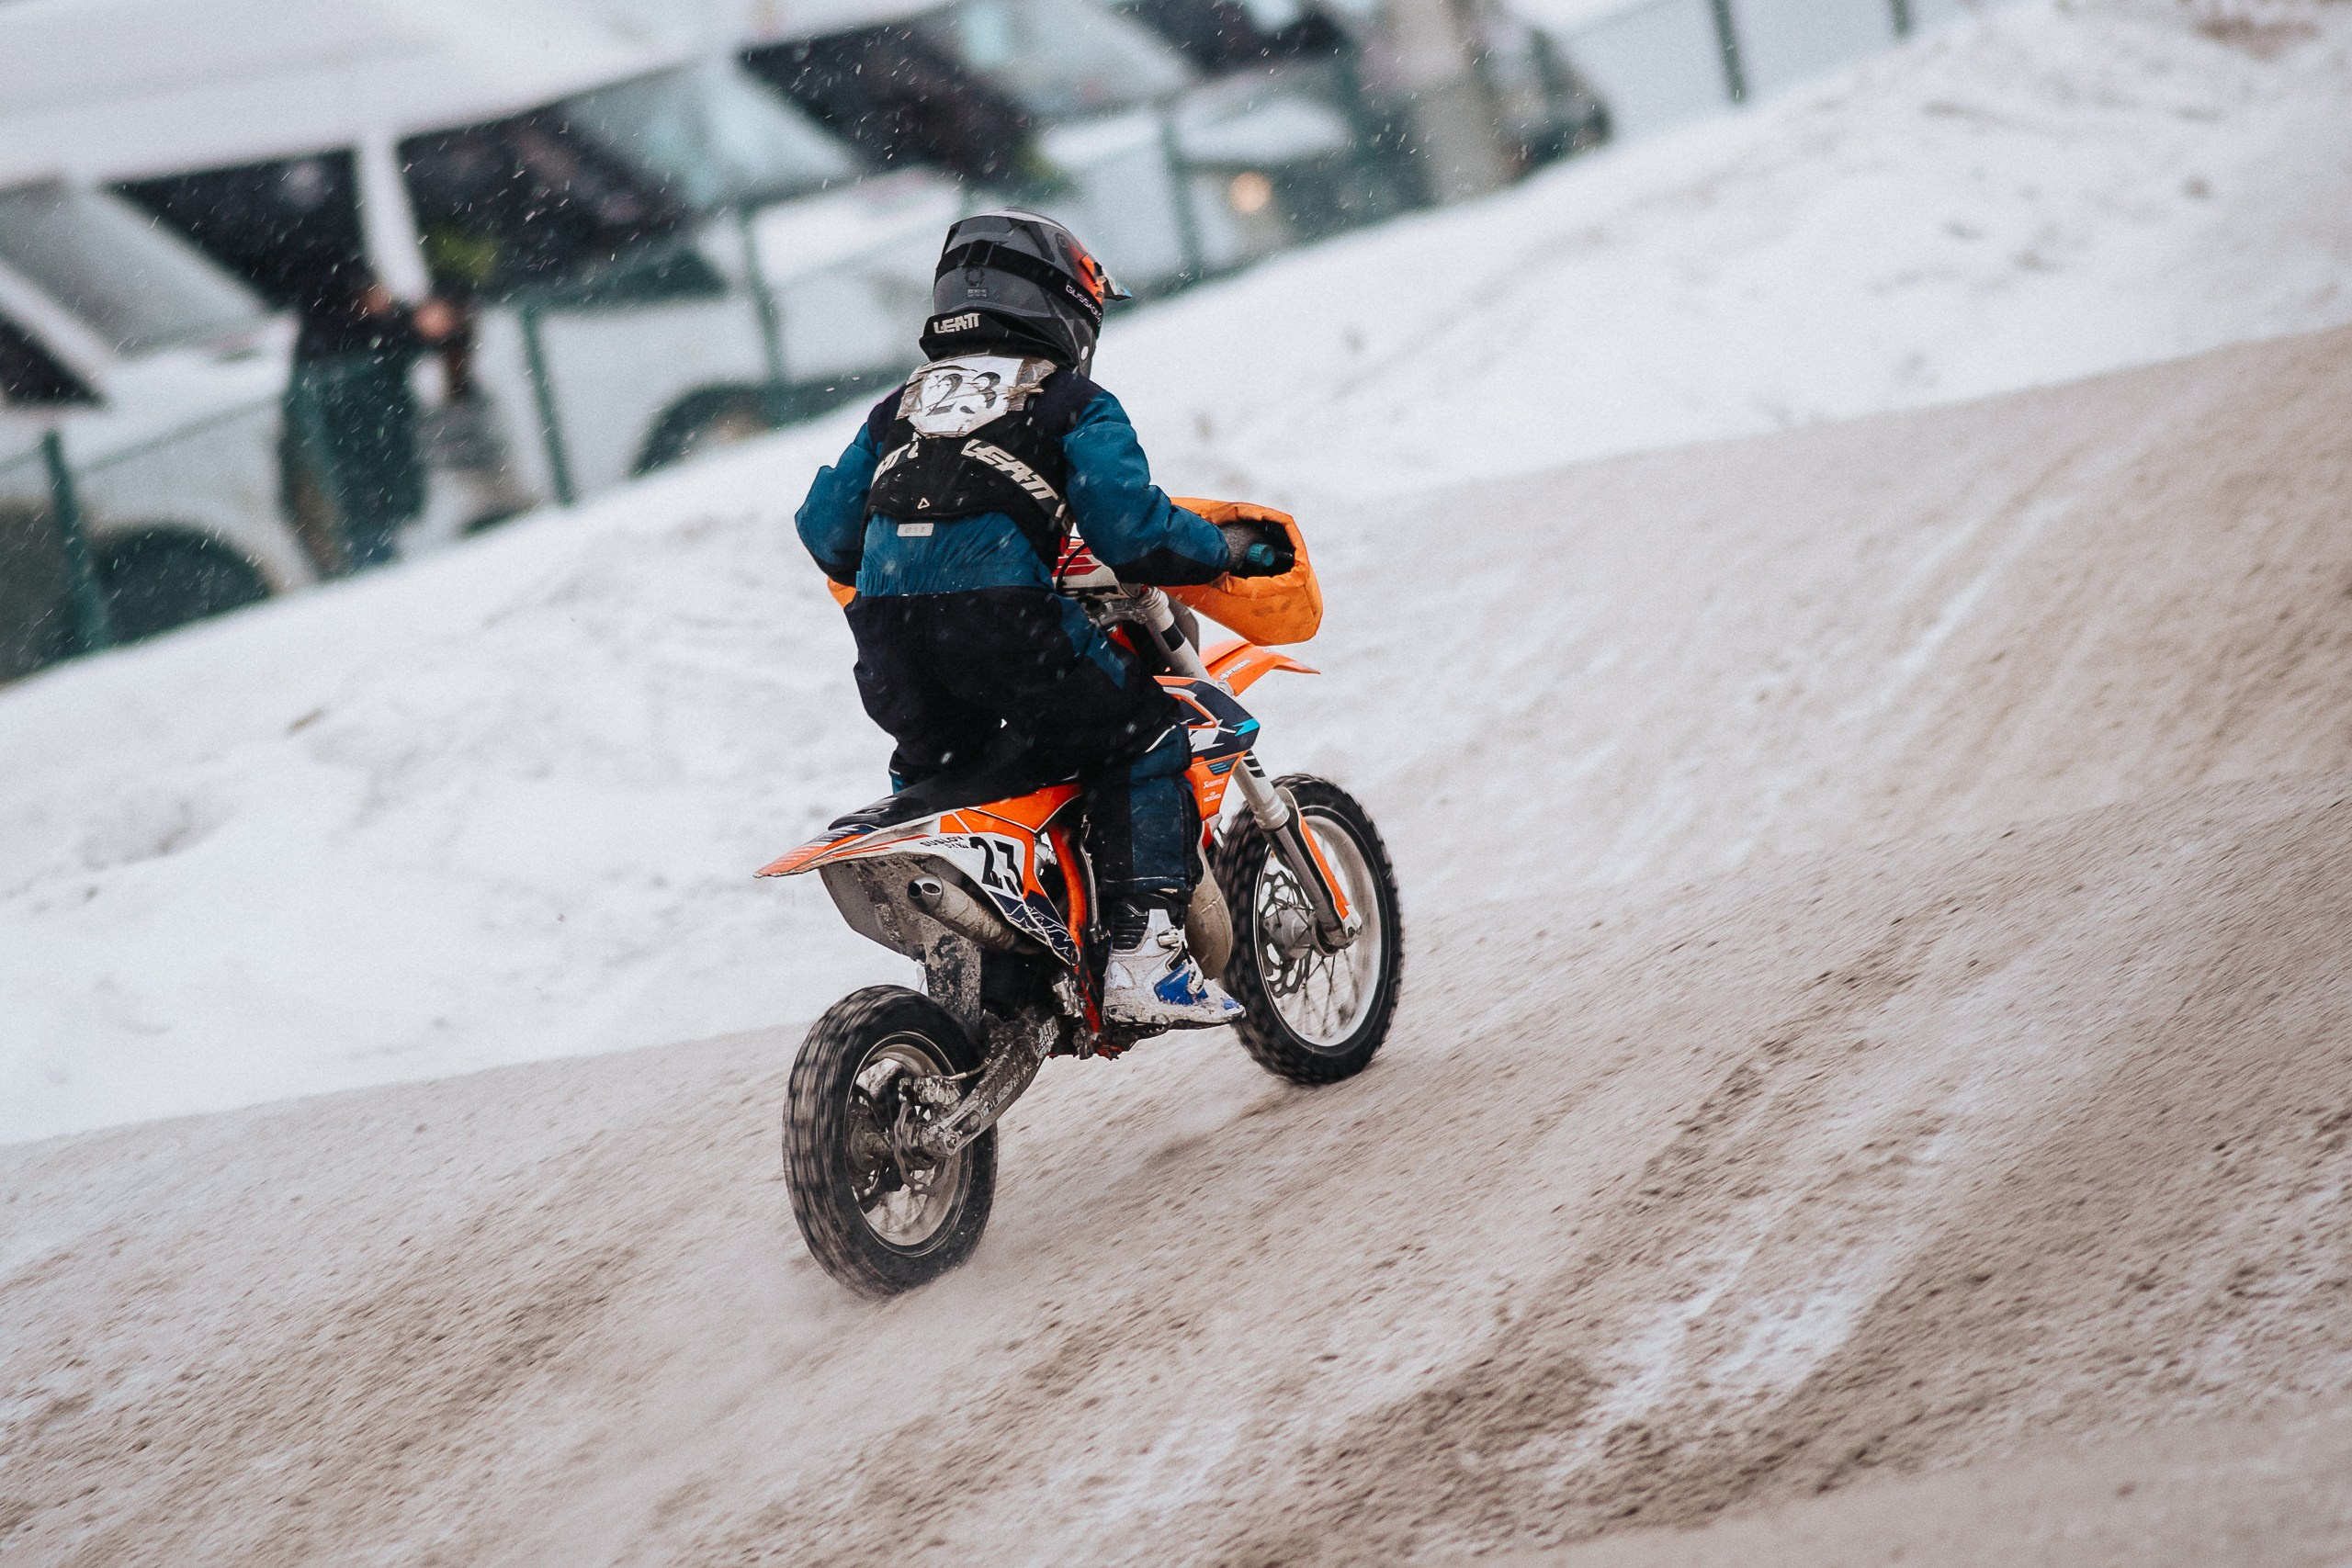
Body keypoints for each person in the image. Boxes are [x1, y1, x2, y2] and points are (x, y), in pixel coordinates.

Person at [796, 209, 1294, 1028]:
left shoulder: (899, 407)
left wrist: (918, 559)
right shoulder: (1071, 400)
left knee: (953, 766)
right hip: (1006, 625)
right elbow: (1130, 527)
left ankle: (987, 964)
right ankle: (1144, 952)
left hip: (888, 643)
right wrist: (1222, 552)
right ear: (1064, 307)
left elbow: (825, 533)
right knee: (1145, 733)